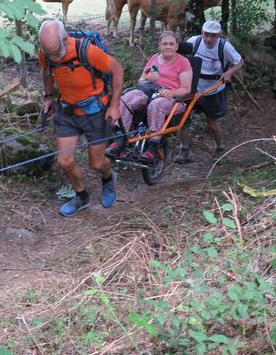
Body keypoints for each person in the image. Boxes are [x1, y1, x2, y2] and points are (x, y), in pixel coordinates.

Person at [39, 19, 124, 216]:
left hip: (95, 113)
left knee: (96, 163)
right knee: (64, 161)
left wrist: (114, 105)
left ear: (65, 39)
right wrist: (49, 96)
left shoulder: (88, 51)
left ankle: (108, 177)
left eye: (55, 50)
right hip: (67, 112)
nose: (52, 56)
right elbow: (46, 71)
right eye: (48, 52)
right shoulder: (46, 52)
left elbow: (117, 69)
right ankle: (82, 196)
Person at [117, 31, 192, 163]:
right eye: (164, 44)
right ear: (159, 45)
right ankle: (120, 140)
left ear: (176, 46)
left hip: (172, 98)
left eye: (171, 44)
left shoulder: (183, 62)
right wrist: (147, 78)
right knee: (126, 98)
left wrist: (172, 92)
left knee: (156, 105)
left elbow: (186, 89)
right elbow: (141, 81)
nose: (168, 47)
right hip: (149, 90)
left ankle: (152, 148)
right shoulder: (154, 58)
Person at [175, 20, 244, 163]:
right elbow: (181, 58)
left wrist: (229, 72)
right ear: (202, 32)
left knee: (211, 122)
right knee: (183, 120)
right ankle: (184, 150)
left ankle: (220, 149)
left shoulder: (224, 47)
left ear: (219, 35)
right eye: (206, 35)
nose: (209, 39)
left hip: (213, 89)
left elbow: (240, 61)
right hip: (192, 88)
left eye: (213, 36)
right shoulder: (194, 41)